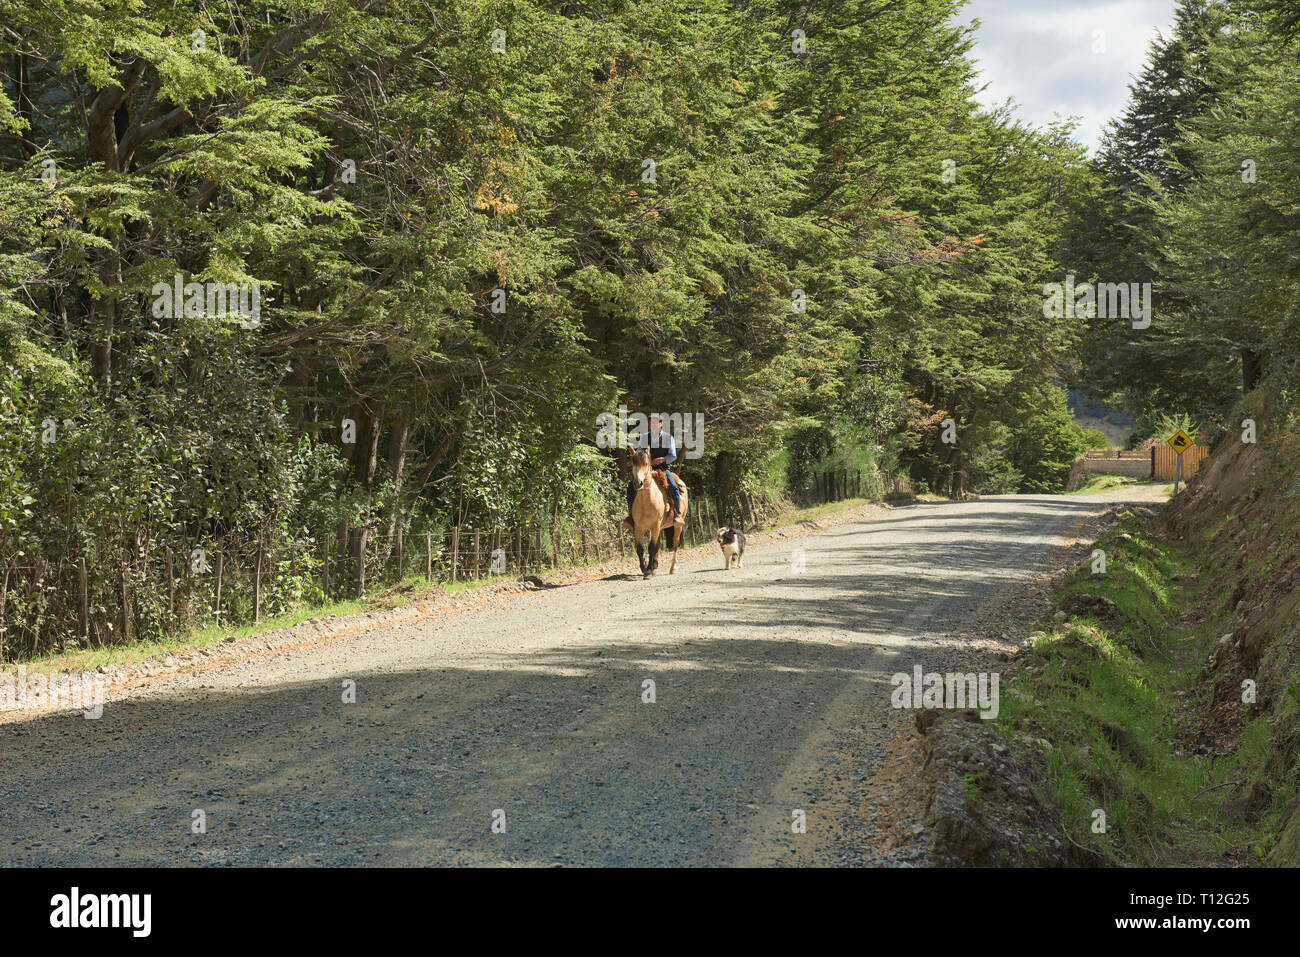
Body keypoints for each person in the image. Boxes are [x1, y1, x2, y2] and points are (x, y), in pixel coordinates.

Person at [623, 413, 681, 528]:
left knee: (673, 486)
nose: (652, 425)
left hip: (662, 468)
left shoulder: (668, 438)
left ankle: (677, 514)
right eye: (650, 423)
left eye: (655, 423)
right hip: (646, 469)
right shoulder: (644, 437)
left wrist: (662, 459)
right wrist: (642, 459)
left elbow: (673, 455)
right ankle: (631, 516)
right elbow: (639, 453)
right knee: (631, 486)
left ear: (661, 424)